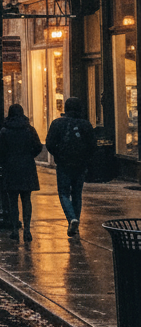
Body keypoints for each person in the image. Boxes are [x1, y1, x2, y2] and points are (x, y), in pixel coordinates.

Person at [45, 96, 97, 238]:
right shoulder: (85, 124)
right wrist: (85, 158)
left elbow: (49, 143)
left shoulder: (57, 124)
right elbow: (93, 145)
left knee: (63, 192)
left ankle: (72, 219)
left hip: (63, 163)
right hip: (80, 164)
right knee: (76, 193)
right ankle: (75, 222)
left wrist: (58, 154)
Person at [0, 103, 42, 242]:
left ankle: (15, 229)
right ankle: (27, 229)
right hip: (27, 167)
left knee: (13, 200)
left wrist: (5, 162)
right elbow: (38, 147)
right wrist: (29, 156)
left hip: (11, 167)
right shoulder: (29, 129)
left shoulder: (5, 130)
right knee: (26, 199)